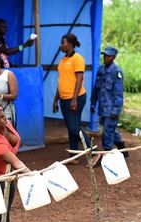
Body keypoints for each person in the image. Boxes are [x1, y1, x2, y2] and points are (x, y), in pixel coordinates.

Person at [52, 33, 91, 165]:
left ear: (70, 44)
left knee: (74, 128)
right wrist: (55, 99)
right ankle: (74, 156)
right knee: (71, 127)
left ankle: (93, 152)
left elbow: (79, 79)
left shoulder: (77, 59)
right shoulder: (63, 60)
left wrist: (74, 99)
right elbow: (61, 81)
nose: (60, 45)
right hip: (64, 99)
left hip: (76, 98)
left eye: (63, 42)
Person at [90, 46, 127, 166]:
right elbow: (96, 88)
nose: (105, 58)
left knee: (107, 133)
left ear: (113, 57)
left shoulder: (117, 72)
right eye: (104, 55)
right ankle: (121, 146)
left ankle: (105, 157)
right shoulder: (101, 70)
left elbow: (118, 93)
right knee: (109, 130)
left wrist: (116, 110)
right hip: (102, 107)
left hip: (111, 109)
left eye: (108, 56)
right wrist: (93, 103)